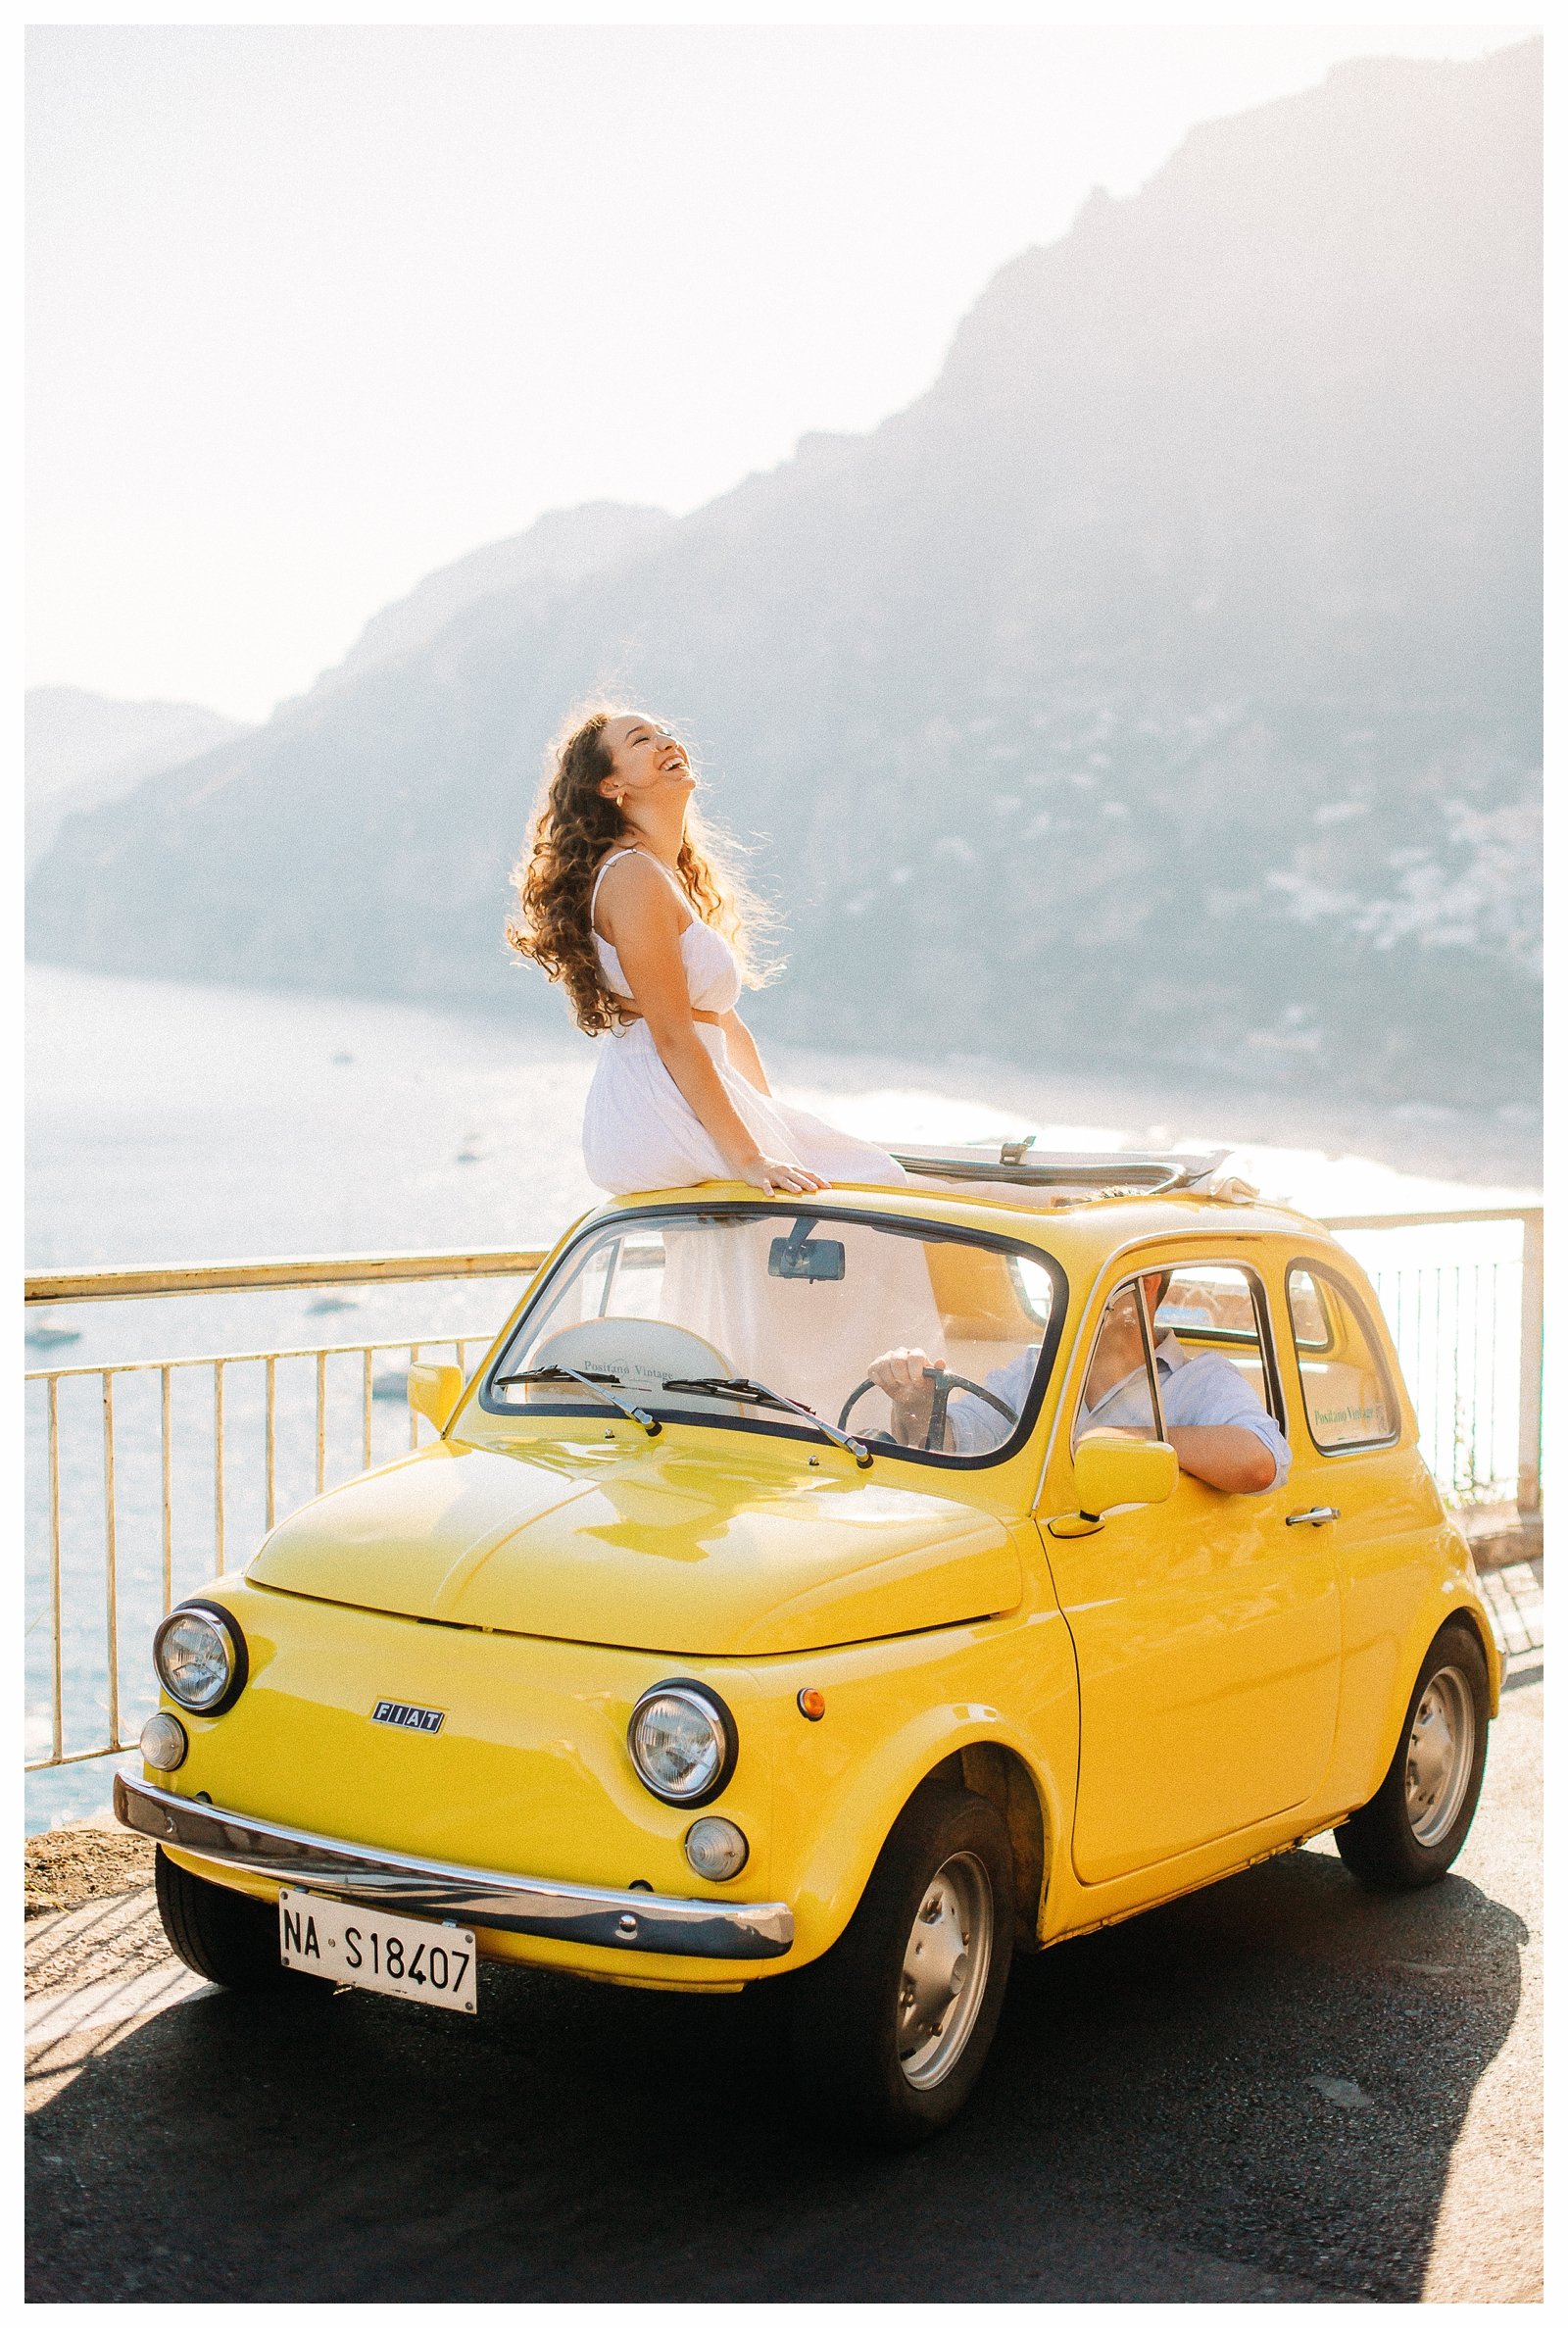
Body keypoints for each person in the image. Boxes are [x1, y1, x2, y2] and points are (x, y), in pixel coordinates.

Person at [507, 705, 943, 1417]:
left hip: (683, 1088)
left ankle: (793, 1396)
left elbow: (725, 1023)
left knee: (821, 1205)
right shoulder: (634, 879)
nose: (666, 743)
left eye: (664, 732)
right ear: (612, 786)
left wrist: (772, 1121)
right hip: (658, 1096)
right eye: (641, 741)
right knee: (879, 1186)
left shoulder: (663, 872)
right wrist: (749, 1154)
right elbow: (677, 1035)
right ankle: (881, 1405)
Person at [867, 1270, 1292, 1489]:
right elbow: (955, 1444)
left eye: (1088, 1282)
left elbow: (1262, 1461)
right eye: (1060, 1282)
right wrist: (915, 1398)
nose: (1059, 1296)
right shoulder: (1035, 1368)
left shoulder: (1200, 1379)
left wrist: (1128, 1438)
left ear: (1145, 1285)